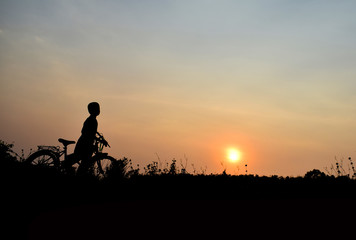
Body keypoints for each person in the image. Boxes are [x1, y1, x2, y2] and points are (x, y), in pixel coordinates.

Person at [74, 102, 101, 175]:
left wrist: (97, 136)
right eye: (96, 108)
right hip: (85, 144)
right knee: (84, 164)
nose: (98, 110)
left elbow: (92, 131)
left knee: (84, 164)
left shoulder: (92, 119)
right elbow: (86, 132)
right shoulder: (92, 120)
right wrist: (97, 138)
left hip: (86, 143)